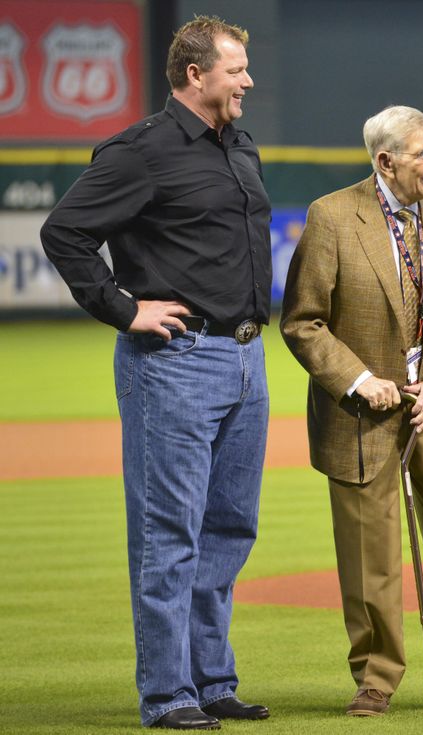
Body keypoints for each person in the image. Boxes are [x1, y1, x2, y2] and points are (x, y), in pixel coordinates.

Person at [40, 16, 272, 730]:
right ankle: (168, 692)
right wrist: (123, 308)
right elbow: (64, 231)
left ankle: (210, 678)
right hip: (174, 361)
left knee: (229, 528)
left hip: (243, 358)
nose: (248, 82)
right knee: (168, 532)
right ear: (195, 74)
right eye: (236, 70)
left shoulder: (239, 144)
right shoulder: (141, 151)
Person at [279, 105, 423, 717]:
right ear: (386, 161)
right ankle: (376, 677)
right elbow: (302, 322)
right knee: (368, 550)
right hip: (362, 412)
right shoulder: (331, 217)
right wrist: (357, 379)